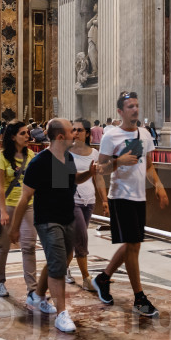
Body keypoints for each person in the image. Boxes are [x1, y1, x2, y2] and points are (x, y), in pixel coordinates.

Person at [8, 119, 98, 333]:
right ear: (60, 137)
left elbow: (71, 181)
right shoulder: (39, 163)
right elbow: (25, 197)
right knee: (58, 265)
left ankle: (37, 296)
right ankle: (62, 314)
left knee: (61, 259)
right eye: (70, 131)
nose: (74, 135)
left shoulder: (65, 157)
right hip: (48, 220)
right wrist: (14, 227)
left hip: (66, 217)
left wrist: (89, 174)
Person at [93, 91, 169, 316]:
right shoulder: (111, 136)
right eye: (130, 106)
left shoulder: (145, 134)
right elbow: (100, 169)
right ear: (120, 111)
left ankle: (103, 278)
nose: (135, 109)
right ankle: (139, 298)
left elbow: (148, 167)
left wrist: (158, 185)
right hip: (120, 196)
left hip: (139, 197)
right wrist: (119, 161)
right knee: (133, 246)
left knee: (130, 245)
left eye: (136, 105)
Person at [0, 120, 37, 299]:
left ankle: (32, 289)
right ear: (12, 137)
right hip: (9, 205)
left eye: (27, 133)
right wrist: (2, 210)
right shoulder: (1, 156)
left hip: (28, 206)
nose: (28, 136)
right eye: (23, 133)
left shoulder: (32, 155)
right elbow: (0, 187)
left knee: (29, 247)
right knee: (4, 246)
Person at [68, 118, 107, 291]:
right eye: (73, 130)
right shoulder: (66, 152)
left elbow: (98, 177)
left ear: (87, 133)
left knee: (71, 241)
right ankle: (86, 278)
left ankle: (61, 270)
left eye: (79, 130)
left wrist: (104, 200)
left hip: (89, 201)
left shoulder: (94, 154)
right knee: (82, 238)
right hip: (72, 201)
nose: (75, 133)